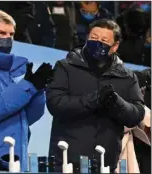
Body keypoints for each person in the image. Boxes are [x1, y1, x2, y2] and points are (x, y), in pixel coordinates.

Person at [46, 19, 145, 173]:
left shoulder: (127, 76)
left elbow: (137, 114)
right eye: (94, 38)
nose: (98, 42)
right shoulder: (65, 67)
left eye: (104, 40)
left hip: (106, 163)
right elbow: (56, 104)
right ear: (87, 38)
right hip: (66, 162)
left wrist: (116, 102)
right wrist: (95, 99)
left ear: (115, 46)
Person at [0, 9, 53, 171]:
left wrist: (38, 89)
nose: (7, 38)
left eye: (11, 34)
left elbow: (30, 117)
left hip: (17, 156)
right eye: (1, 33)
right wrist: (28, 86)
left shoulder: (18, 67)